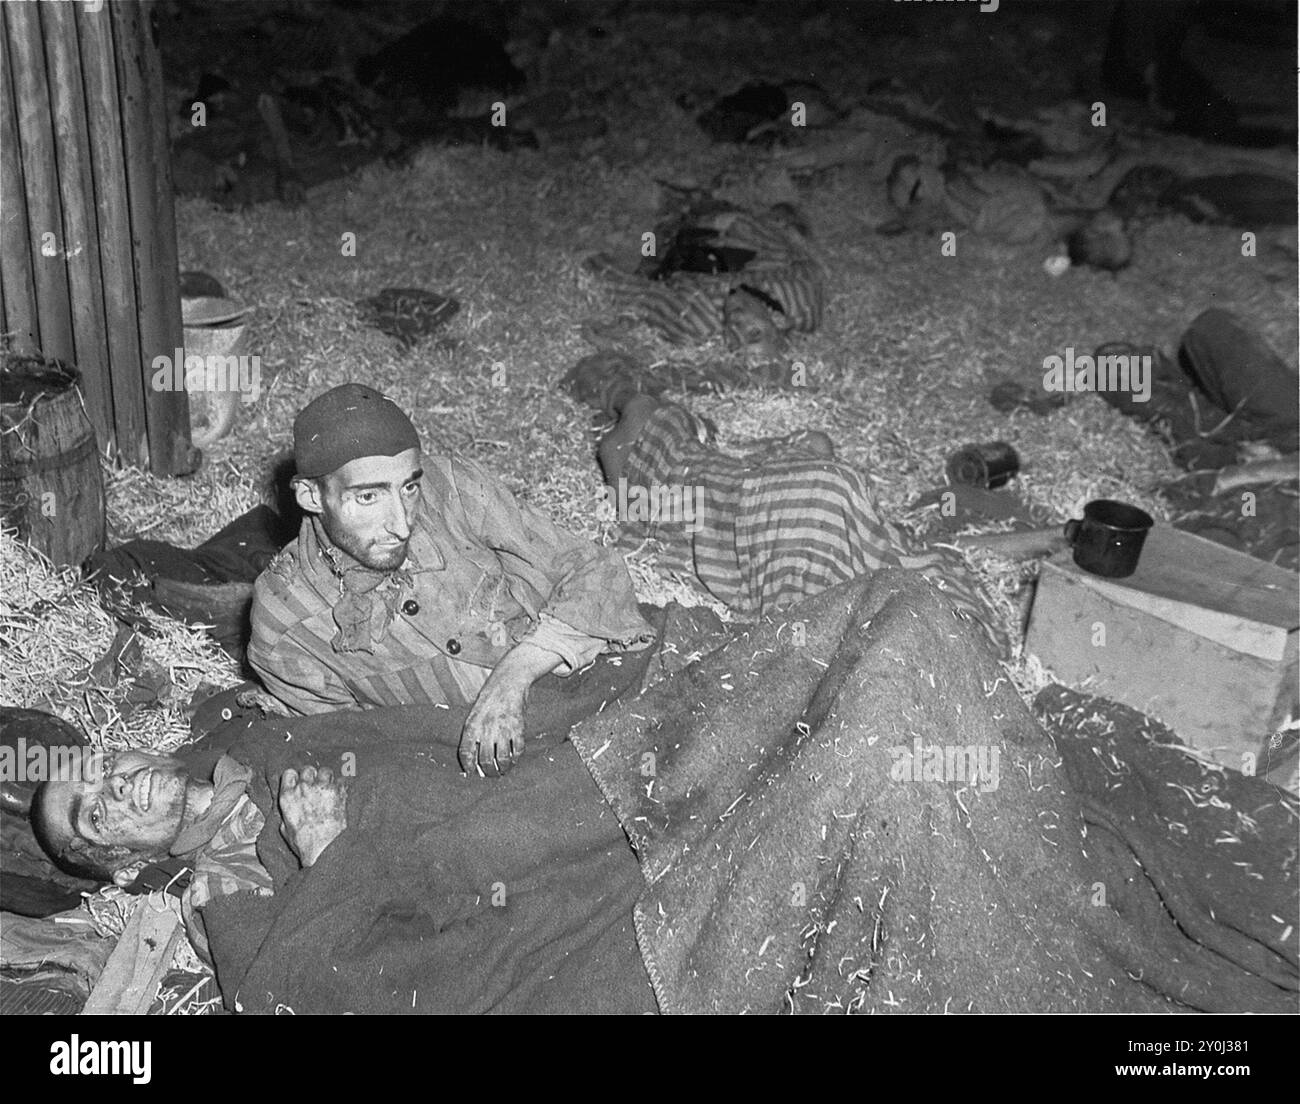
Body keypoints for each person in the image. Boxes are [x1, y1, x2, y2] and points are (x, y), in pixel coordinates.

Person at [248, 383, 657, 774]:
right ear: (311, 497)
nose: (402, 526)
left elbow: (596, 570)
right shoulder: (284, 625)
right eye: (368, 497)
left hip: (586, 683)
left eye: (408, 488)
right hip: (469, 772)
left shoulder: (455, 490)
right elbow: (352, 749)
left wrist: (511, 679)